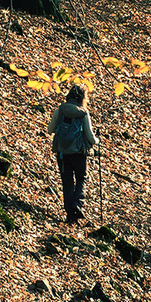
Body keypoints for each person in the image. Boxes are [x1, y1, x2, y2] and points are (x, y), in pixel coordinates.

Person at [48, 84, 98, 223]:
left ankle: (70, 215)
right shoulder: (83, 113)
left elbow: (50, 129)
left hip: (63, 153)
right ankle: (77, 204)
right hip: (78, 153)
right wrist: (97, 141)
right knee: (81, 178)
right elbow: (90, 137)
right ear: (82, 98)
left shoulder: (60, 110)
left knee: (67, 182)